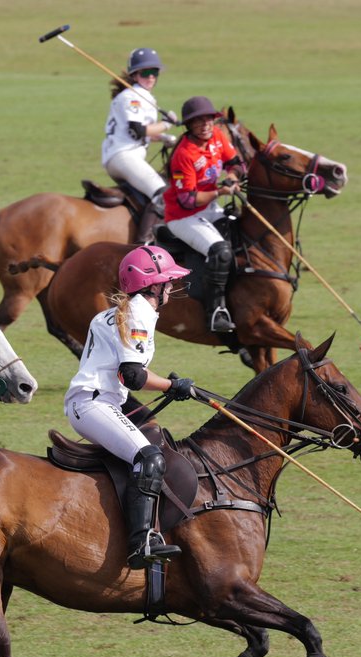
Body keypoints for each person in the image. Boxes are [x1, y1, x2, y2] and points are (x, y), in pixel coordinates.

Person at [63, 245, 196, 570]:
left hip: (97, 401)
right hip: (93, 405)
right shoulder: (137, 314)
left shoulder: (122, 311)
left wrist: (168, 383)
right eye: (168, 282)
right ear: (153, 286)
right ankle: (141, 542)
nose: (172, 287)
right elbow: (133, 375)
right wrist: (171, 385)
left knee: (153, 436)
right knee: (148, 458)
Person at [162, 96, 244, 333]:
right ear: (188, 125)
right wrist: (220, 190)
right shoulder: (183, 154)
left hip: (210, 208)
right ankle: (215, 312)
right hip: (183, 216)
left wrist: (232, 178)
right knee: (219, 251)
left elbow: (236, 163)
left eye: (208, 118)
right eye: (198, 121)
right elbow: (187, 200)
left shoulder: (218, 136)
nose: (205, 124)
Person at [101, 47, 179, 244]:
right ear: (135, 74)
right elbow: (138, 130)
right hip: (124, 156)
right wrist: (167, 123)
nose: (151, 77)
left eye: (155, 72)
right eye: (145, 72)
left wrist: (163, 137)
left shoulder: (141, 96)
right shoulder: (133, 96)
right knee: (162, 193)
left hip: (122, 155)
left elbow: (139, 134)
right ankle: (143, 244)